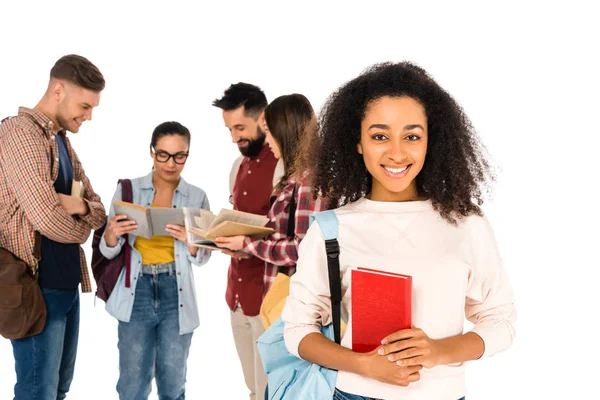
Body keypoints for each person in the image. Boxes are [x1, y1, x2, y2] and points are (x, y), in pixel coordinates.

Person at [282, 62, 516, 400]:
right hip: (354, 394)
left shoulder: (467, 225)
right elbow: (299, 330)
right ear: (358, 142)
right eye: (379, 136)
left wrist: (437, 351)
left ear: (430, 141)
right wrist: (363, 365)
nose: (396, 152)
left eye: (411, 136)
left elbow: (501, 322)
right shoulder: (331, 229)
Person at [0, 54, 107, 400]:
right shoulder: (20, 133)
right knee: (36, 393)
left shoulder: (60, 140)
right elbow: (45, 217)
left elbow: (99, 209)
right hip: (34, 288)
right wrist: (82, 228)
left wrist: (77, 205)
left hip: (65, 284)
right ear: (58, 90)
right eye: (85, 105)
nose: (89, 116)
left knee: (58, 390)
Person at [99, 121, 211, 399]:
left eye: (179, 156)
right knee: (132, 384)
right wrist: (111, 234)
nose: (170, 163)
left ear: (187, 154)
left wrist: (192, 241)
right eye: (163, 154)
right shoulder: (128, 190)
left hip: (177, 291)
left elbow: (203, 258)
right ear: (152, 152)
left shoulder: (197, 197)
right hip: (136, 290)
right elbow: (109, 251)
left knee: (173, 384)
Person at [214, 93, 326, 326]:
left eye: (270, 134)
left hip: (295, 308)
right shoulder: (294, 179)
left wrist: (247, 243)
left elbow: (303, 249)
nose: (268, 141)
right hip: (278, 303)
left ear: (284, 133)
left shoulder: (308, 184)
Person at [212, 83, 283, 400]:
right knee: (254, 390)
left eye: (240, 127)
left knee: (272, 391)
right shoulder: (236, 167)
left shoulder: (284, 166)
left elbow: (288, 237)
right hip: (237, 296)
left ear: (263, 119)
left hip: (270, 299)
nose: (234, 138)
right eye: (229, 129)